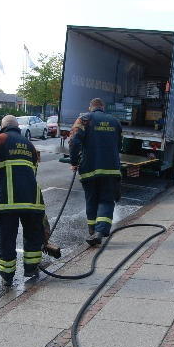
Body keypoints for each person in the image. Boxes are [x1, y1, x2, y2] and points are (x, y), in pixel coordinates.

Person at [0, 115, 46, 286]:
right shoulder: (30, 145)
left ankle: (7, 277)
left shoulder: (0, 138)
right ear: (18, 127)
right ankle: (31, 269)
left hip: (7, 201)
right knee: (33, 236)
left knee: (7, 238)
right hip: (32, 200)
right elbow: (33, 170)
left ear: (2, 126)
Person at [69, 98, 122, 246]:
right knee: (106, 200)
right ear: (103, 107)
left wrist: (74, 162)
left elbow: (74, 141)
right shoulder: (114, 121)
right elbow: (119, 145)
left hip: (90, 169)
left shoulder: (84, 119)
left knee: (91, 200)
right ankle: (100, 231)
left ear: (90, 107)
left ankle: (92, 231)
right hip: (111, 169)